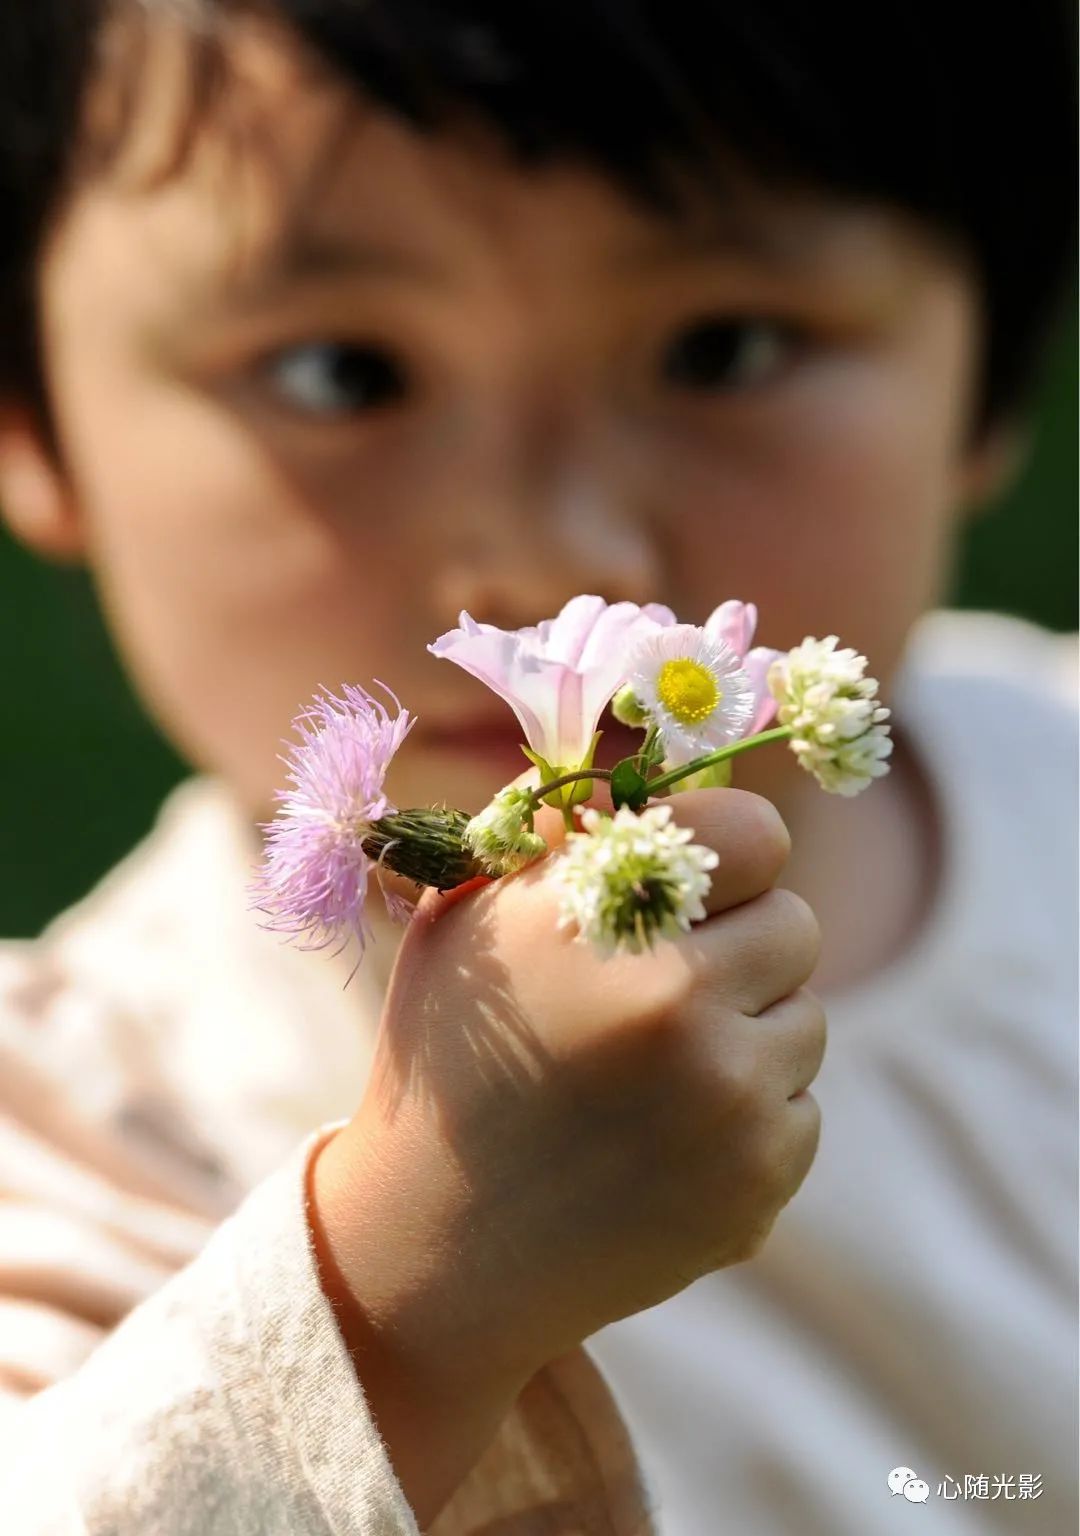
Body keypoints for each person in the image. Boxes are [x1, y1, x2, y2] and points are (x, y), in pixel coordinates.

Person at [0, 2, 1074, 1532]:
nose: (562, 563)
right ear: (34, 421)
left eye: (725, 349)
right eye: (342, 374)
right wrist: (403, 1289)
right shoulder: (72, 1136)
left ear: (991, 374)